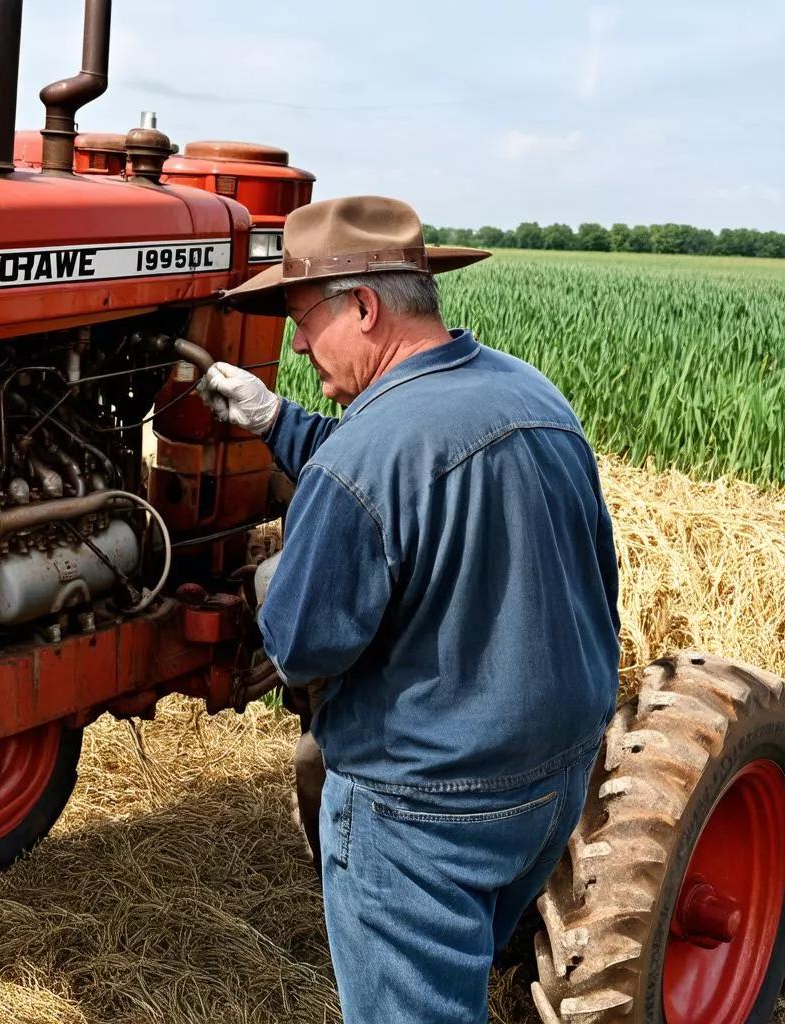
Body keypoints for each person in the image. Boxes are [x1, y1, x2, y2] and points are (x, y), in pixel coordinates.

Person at [199, 195, 620, 1024]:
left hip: (425, 812)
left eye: (300, 318)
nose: (292, 342)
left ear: (361, 307)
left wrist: (270, 586)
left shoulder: (368, 457)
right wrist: (276, 421)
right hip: (552, 784)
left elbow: (306, 646)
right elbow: (406, 472)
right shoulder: (530, 393)